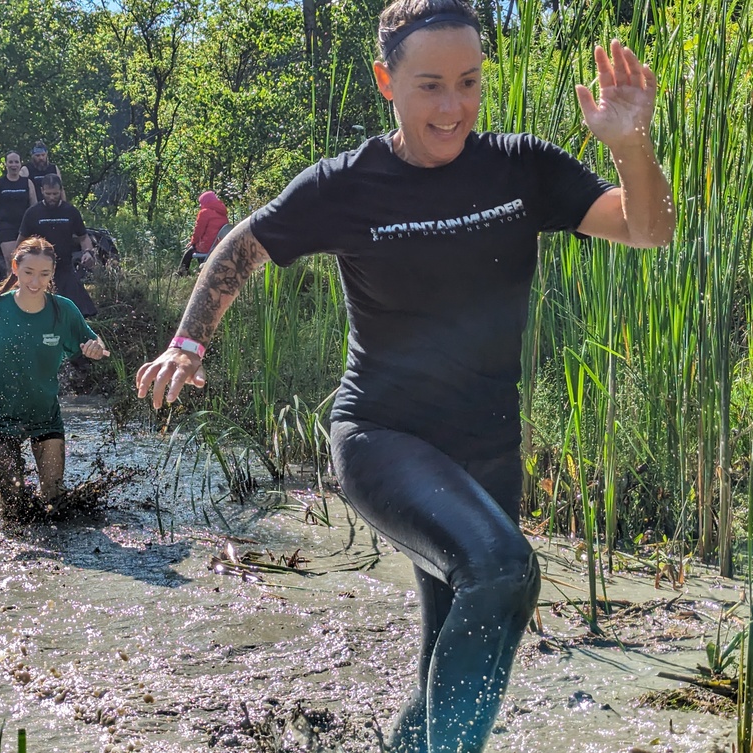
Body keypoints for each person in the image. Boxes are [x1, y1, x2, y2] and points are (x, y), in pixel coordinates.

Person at [136, 1, 675, 750]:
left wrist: (631, 145)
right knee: (502, 570)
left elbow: (647, 228)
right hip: (384, 438)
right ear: (387, 80)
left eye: (469, 82)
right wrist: (188, 344)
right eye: (429, 85)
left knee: (455, 635)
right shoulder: (347, 184)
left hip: (487, 451)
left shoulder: (521, 168)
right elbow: (246, 243)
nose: (453, 107)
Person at [0, 236, 110, 506]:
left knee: (55, 501)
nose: (35, 282)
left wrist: (95, 348)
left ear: (52, 274)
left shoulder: (64, 310)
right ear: (15, 267)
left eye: (44, 274)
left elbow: (97, 343)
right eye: (28, 273)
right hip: (1, 417)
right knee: (12, 505)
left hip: (45, 416)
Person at [16, 173, 98, 318]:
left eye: (55, 193)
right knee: (41, 311)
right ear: (42, 191)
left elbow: (84, 237)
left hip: (65, 268)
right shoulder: (32, 213)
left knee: (80, 312)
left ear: (61, 191)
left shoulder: (71, 212)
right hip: (39, 270)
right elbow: (21, 241)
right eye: (48, 194)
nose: (52, 197)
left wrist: (88, 252)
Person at [0, 151, 37, 265]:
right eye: (11, 162)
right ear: (6, 164)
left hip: (25, 226)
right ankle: (11, 282)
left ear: (20, 164)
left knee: (25, 260)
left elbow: (35, 207)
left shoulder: (27, 183)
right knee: (11, 259)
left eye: (16, 162)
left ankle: (24, 283)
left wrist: (38, 226)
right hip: (6, 226)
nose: (14, 165)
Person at [177, 190, 230, 275]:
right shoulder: (223, 213)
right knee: (195, 248)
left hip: (207, 246)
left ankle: (182, 273)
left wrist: (192, 242)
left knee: (190, 250)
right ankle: (203, 271)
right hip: (219, 245)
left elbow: (198, 232)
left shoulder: (204, 212)